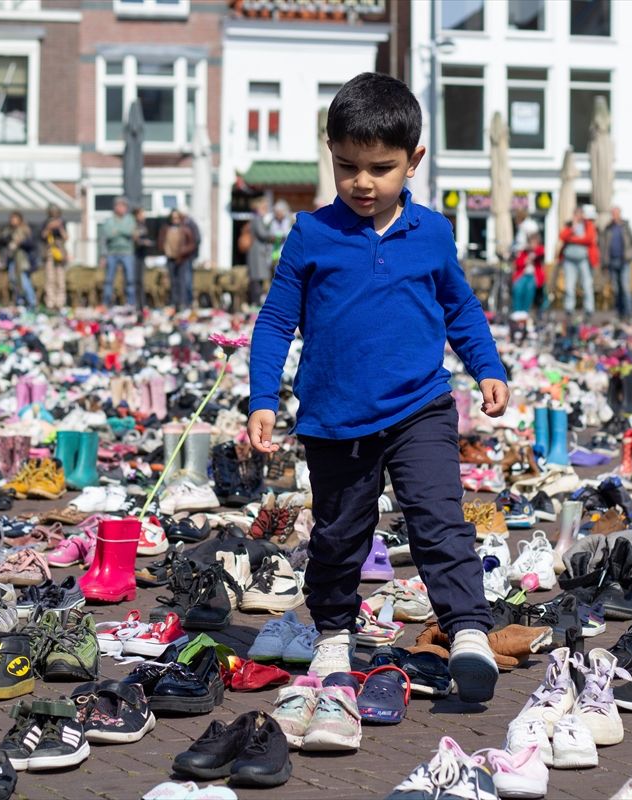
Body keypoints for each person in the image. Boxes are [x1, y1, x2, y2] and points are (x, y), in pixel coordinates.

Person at [247, 72, 509, 704]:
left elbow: (462, 308)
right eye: (347, 166)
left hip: (422, 405)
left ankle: (468, 630)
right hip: (334, 418)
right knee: (340, 533)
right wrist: (261, 398)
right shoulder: (312, 234)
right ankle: (334, 630)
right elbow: (276, 320)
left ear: (413, 161)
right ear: (330, 155)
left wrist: (489, 367)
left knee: (440, 521)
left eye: (380, 168)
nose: (362, 182)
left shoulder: (435, 233)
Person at [557, 205, 597, 317]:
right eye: (576, 214)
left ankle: (589, 308)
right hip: (569, 260)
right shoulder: (569, 225)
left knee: (587, 284)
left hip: (583, 259)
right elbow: (562, 236)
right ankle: (569, 308)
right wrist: (572, 228)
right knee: (569, 285)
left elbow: (588, 238)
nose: (577, 216)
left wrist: (574, 239)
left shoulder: (588, 225)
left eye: (579, 214)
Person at [99, 197, 137, 307]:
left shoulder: (130, 219)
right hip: (112, 253)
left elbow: (130, 231)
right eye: (118, 205)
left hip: (127, 252)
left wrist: (118, 230)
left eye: (123, 206)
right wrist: (103, 256)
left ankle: (130, 303)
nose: (120, 208)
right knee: (109, 279)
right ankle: (106, 303)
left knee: (130, 279)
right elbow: (107, 235)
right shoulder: (109, 221)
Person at [599, 206, 632, 319]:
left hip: (624, 261)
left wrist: (629, 255)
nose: (614, 216)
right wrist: (604, 263)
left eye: (616, 213)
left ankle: (629, 313)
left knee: (625, 287)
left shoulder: (625, 227)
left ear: (620, 214)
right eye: (612, 213)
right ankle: (620, 313)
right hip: (612, 262)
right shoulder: (608, 228)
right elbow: (604, 247)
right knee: (616, 289)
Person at [158, 208, 196, 310]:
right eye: (173, 217)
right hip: (170, 257)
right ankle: (174, 302)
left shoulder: (185, 229)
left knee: (182, 281)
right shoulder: (166, 228)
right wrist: (164, 249)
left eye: (177, 217)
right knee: (173, 281)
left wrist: (184, 251)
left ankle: (183, 303)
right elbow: (161, 241)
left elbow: (192, 243)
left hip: (182, 259)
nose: (175, 219)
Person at [1, 211, 36, 307]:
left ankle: (32, 302)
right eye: (11, 219)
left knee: (24, 281)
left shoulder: (25, 230)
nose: (13, 221)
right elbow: (2, 240)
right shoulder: (8, 230)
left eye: (15, 219)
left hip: (23, 260)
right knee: (13, 280)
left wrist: (20, 242)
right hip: (12, 259)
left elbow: (31, 244)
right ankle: (19, 301)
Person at [40, 204, 68, 309]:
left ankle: (60, 302)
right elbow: (42, 236)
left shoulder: (62, 222)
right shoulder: (46, 223)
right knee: (50, 278)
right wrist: (49, 227)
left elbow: (66, 237)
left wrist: (60, 227)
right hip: (49, 253)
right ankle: (50, 302)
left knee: (60, 278)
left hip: (60, 252)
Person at [246, 196, 273, 305]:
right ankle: (255, 302)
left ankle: (256, 301)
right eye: (264, 207)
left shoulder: (257, 219)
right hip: (257, 253)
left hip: (258, 253)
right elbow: (262, 234)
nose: (266, 209)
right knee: (256, 279)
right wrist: (274, 236)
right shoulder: (257, 219)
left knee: (258, 279)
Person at [512, 232, 546, 315]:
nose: (532, 245)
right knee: (518, 289)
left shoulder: (538, 251)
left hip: (533, 277)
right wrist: (526, 260)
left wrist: (533, 254)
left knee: (529, 290)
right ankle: (517, 311)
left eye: (534, 243)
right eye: (531, 242)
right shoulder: (524, 252)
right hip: (522, 275)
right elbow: (518, 263)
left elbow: (541, 252)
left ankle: (525, 312)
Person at [132, 206, 152, 309]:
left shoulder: (144, 225)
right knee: (133, 281)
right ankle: (134, 303)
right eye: (141, 214)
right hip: (133, 254)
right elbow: (134, 238)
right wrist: (141, 241)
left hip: (141, 255)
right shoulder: (132, 225)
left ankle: (141, 304)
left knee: (141, 281)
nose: (143, 216)